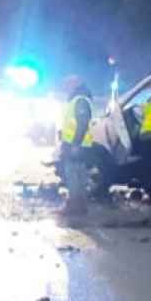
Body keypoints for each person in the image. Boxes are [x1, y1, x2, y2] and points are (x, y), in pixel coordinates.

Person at [56, 75, 99, 211]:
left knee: (74, 176)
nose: (66, 87)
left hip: (77, 145)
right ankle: (80, 205)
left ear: (75, 85)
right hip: (79, 144)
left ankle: (75, 206)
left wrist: (75, 144)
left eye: (68, 84)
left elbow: (82, 123)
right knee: (79, 175)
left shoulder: (80, 100)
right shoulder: (79, 100)